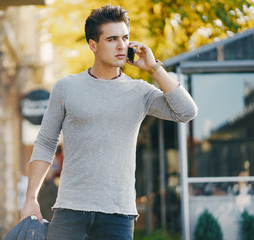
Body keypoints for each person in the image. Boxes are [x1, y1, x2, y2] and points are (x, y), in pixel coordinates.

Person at [20, 4, 198, 240]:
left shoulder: (139, 92)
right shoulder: (66, 87)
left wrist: (154, 68)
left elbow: (186, 112)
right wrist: (31, 198)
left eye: (125, 38)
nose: (121, 45)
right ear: (93, 44)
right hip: (69, 211)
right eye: (112, 39)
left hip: (118, 215)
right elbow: (45, 142)